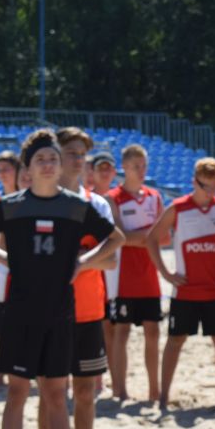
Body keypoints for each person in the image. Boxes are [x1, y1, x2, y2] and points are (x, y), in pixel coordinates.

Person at [0, 129, 124, 429]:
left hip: (60, 312)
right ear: (28, 168)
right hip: (20, 312)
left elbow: (115, 238)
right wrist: (5, 258)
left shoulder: (75, 205)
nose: (48, 164)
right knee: (17, 392)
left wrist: (82, 262)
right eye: (41, 160)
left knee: (55, 393)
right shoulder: (12, 205)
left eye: (53, 158)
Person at [40, 126, 117, 429]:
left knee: (85, 394)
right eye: (71, 152)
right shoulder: (40, 202)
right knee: (51, 395)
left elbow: (110, 259)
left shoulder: (96, 205)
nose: (77, 160)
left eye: (81, 154)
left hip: (88, 312)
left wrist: (78, 263)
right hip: (47, 313)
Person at [151, 157, 215, 408]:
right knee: (175, 341)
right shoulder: (178, 208)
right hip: (185, 292)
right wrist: (166, 273)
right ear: (194, 182)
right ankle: (163, 397)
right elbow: (152, 239)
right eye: (206, 186)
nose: (211, 192)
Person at [106, 144, 165, 402]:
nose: (141, 171)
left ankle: (154, 390)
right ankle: (120, 390)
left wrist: (139, 238)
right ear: (125, 168)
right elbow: (120, 237)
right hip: (124, 277)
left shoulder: (154, 196)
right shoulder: (113, 198)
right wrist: (147, 237)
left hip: (150, 274)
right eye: (136, 166)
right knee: (122, 331)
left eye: (144, 166)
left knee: (153, 331)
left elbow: (164, 237)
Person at [0, 150, 21, 387]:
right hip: (3, 266)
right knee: (1, 318)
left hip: (25, 267)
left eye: (6, 169)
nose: (2, 173)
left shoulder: (27, 198)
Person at [88, 150, 120, 381]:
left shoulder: (113, 199)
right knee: (98, 324)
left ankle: (106, 377)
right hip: (93, 268)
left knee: (110, 326)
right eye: (101, 168)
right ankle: (98, 377)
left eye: (108, 168)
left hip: (111, 270)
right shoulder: (87, 200)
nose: (105, 172)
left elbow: (118, 237)